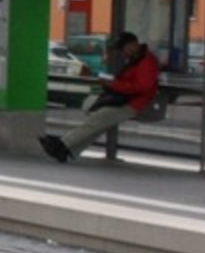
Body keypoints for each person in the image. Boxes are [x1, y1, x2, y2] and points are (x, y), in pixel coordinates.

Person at [40, 31, 160, 163]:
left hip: (132, 103)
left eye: (123, 48)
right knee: (98, 125)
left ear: (133, 44)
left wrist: (114, 84)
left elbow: (142, 86)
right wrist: (113, 82)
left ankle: (62, 145)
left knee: (96, 121)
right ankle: (68, 151)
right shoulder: (137, 59)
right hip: (127, 101)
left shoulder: (146, 61)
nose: (122, 52)